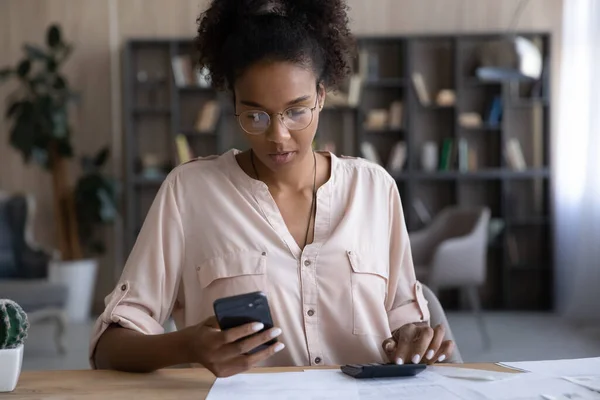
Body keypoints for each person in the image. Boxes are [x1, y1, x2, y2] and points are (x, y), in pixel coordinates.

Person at [90, 0, 455, 378]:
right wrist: (188, 345)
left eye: (297, 111)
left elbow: (407, 321)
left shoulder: (374, 189)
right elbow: (109, 347)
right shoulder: (189, 193)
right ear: (233, 103)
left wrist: (415, 337)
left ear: (321, 97)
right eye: (255, 115)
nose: (277, 136)